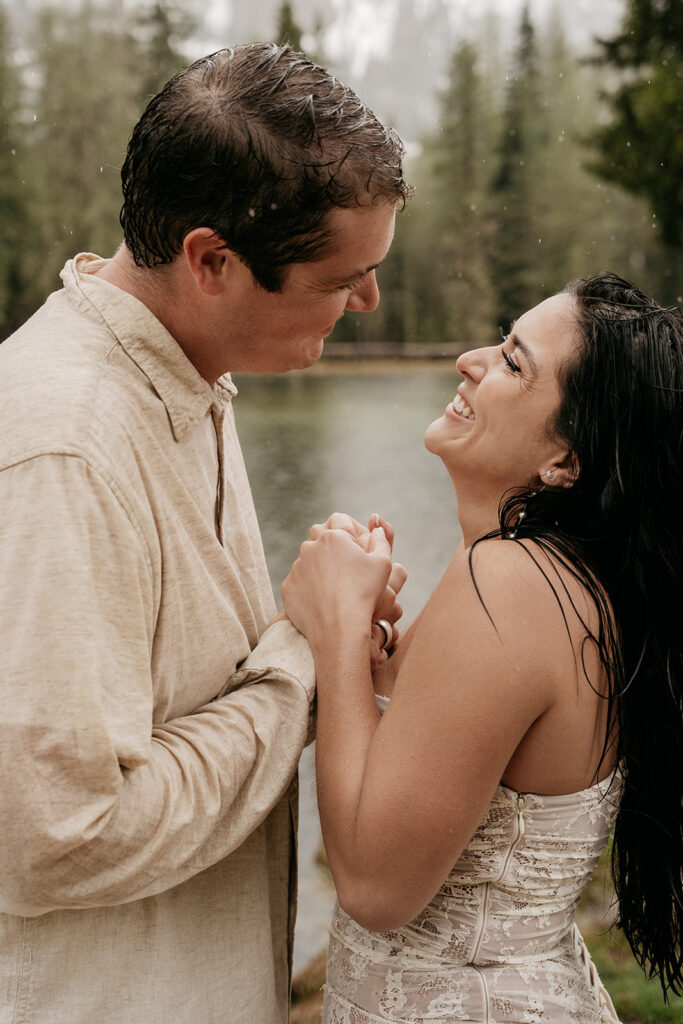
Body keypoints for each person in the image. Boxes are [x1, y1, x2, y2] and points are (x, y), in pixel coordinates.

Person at [0, 44, 412, 1024]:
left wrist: (336, 641)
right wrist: (301, 663)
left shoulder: (185, 371)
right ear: (212, 261)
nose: (367, 302)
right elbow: (57, 837)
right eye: (342, 277)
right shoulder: (65, 449)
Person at [282, 272, 683, 1023]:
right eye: (501, 343)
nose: (469, 361)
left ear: (565, 461)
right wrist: (368, 660)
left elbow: (374, 887)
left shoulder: (508, 579)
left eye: (511, 362)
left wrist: (336, 627)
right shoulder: (555, 578)